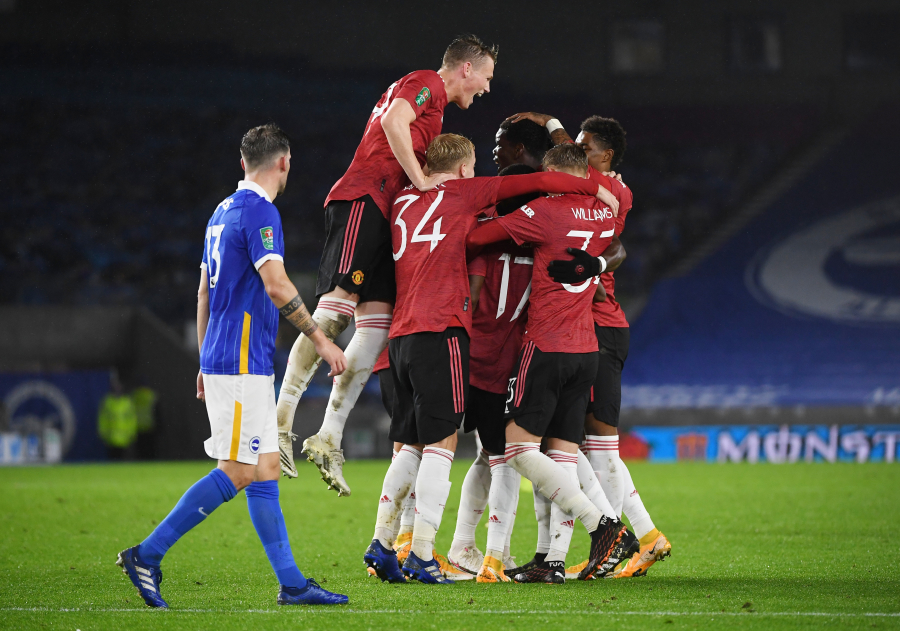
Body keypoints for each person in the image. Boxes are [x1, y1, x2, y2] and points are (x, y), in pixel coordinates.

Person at [363, 134, 616, 585]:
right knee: (486, 455)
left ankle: (388, 544)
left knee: (412, 446)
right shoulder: (485, 206)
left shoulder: (405, 199)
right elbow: (542, 182)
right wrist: (596, 187)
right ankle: (442, 555)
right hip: (463, 345)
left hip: (399, 337)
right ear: (464, 169)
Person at [116, 124, 349, 608]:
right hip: (241, 362)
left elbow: (203, 292)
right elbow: (277, 285)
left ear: (243, 162)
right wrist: (321, 340)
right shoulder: (261, 212)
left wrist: (204, 358)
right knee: (241, 470)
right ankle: (147, 554)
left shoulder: (220, 213)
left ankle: (292, 584)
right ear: (283, 162)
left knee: (264, 470)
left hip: (235, 360)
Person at [276, 36, 499, 496]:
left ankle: (329, 434)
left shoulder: (436, 109)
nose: (487, 88)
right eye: (486, 77)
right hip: (365, 197)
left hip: (386, 209)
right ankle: (280, 422)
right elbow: (397, 119)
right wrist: (419, 181)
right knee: (335, 313)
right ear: (465, 69)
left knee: (375, 329)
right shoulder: (427, 84)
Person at [515, 112, 672, 577]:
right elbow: (569, 149)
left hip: (596, 327)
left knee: (590, 450)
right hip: (591, 327)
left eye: (586, 149)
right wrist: (551, 123)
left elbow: (618, 250)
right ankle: (641, 536)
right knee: (578, 448)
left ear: (605, 157)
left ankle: (622, 537)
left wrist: (594, 270)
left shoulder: (607, 192)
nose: (577, 153)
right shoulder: (596, 187)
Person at [466, 144, 631, 584]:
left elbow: (476, 237)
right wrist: (596, 261)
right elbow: (618, 248)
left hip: (547, 346)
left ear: (554, 173)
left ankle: (605, 527)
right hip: (586, 350)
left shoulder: (544, 210)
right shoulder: (603, 212)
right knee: (562, 455)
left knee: (517, 449)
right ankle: (552, 561)